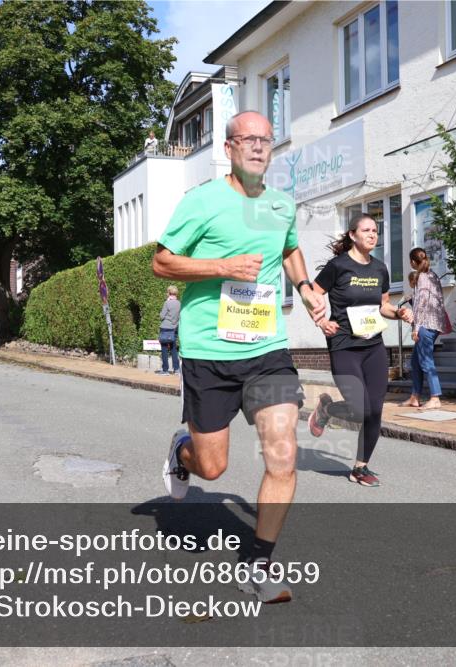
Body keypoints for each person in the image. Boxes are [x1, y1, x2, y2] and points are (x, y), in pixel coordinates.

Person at [152, 110, 325, 604]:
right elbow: (161, 261)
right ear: (228, 148)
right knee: (213, 468)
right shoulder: (201, 201)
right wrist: (221, 266)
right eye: (247, 139)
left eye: (266, 140)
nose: (257, 146)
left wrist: (308, 290)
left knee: (283, 450)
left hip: (267, 348)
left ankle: (258, 564)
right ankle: (182, 452)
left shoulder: (281, 205)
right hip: (209, 350)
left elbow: (289, 250)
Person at [307, 216, 413, 488]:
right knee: (360, 407)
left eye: (376, 231)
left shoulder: (380, 268)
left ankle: (360, 467)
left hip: (373, 345)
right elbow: (313, 295)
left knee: (375, 411)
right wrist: (321, 321)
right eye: (366, 230)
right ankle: (327, 409)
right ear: (352, 235)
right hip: (344, 345)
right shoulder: (338, 266)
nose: (372, 235)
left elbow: (383, 306)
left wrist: (399, 313)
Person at [400, 247, 451, 409]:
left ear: (414, 262)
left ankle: (435, 398)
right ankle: (415, 397)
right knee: (416, 361)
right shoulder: (432, 275)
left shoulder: (422, 277)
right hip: (434, 324)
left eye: (410, 261)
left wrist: (416, 328)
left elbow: (421, 306)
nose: (410, 263)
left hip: (425, 325)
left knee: (426, 361)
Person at [156, 285, 181, 376]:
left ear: (169, 293)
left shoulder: (167, 303)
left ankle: (165, 370)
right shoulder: (179, 303)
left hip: (166, 327)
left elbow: (162, 316)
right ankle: (177, 369)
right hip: (175, 328)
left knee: (164, 349)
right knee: (174, 348)